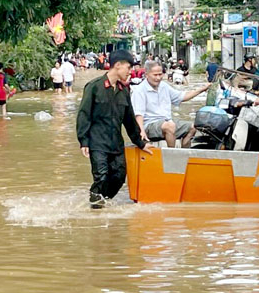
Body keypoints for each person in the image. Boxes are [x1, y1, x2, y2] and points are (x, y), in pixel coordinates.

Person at [76, 50, 154, 208]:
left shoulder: (124, 90)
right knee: (101, 176)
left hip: (116, 144)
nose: (130, 71)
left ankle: (101, 202)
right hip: (97, 143)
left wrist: (141, 143)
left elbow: (129, 120)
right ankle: (96, 208)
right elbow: (84, 115)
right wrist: (84, 141)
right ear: (117, 66)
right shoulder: (94, 87)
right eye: (128, 67)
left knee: (119, 177)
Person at [131, 59, 209, 147]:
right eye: (155, 75)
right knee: (170, 126)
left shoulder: (164, 86)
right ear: (146, 75)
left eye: (160, 74)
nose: (158, 78)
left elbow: (182, 97)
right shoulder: (139, 90)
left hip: (167, 122)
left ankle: (184, 154)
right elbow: (138, 114)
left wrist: (202, 89)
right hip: (149, 125)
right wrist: (141, 131)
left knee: (192, 128)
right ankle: (172, 154)